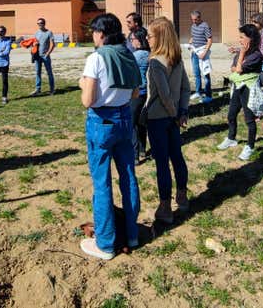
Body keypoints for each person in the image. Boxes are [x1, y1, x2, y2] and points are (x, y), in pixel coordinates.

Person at [79, 13, 142, 260]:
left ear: (102, 33)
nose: (92, 35)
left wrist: (83, 83)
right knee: (128, 177)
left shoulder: (96, 58)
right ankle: (132, 233)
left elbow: (88, 101)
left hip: (101, 123)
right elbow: (136, 92)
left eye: (94, 31)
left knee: (102, 183)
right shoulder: (128, 54)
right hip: (125, 119)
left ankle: (105, 243)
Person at [145, 17, 190, 224]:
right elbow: (185, 88)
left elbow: (163, 94)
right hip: (174, 118)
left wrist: (174, 114)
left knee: (162, 163)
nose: (147, 38)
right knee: (177, 157)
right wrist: (183, 111)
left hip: (158, 118)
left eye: (150, 35)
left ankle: (165, 207)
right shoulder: (177, 59)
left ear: (160, 37)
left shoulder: (155, 62)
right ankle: (182, 195)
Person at [218, 24, 263, 160]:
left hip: (249, 89)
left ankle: (250, 146)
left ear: (251, 38)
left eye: (242, 37)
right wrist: (240, 60)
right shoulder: (240, 52)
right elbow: (233, 67)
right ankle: (231, 138)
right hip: (238, 87)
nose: (239, 40)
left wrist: (242, 55)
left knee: (249, 120)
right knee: (231, 115)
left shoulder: (256, 55)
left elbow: (238, 69)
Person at [129, 28, 150, 162]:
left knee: (132, 124)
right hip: (147, 92)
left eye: (132, 39)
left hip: (136, 93)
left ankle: (134, 155)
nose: (131, 42)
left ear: (139, 40)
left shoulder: (135, 56)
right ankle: (143, 149)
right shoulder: (150, 54)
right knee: (142, 122)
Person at [189, 10, 213, 103]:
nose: (194, 21)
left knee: (206, 74)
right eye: (192, 19)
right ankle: (198, 92)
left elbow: (210, 40)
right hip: (194, 52)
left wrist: (204, 53)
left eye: (195, 19)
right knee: (196, 73)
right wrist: (190, 42)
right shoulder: (193, 26)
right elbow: (193, 36)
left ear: (199, 17)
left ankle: (208, 95)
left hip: (203, 52)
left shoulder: (205, 26)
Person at [31, 18, 55, 96]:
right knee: (38, 72)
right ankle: (38, 89)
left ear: (44, 24)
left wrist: (48, 53)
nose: (39, 25)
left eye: (41, 23)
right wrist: (33, 45)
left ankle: (52, 89)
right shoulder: (37, 33)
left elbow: (52, 44)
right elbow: (34, 42)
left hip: (45, 56)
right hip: (37, 56)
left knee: (49, 73)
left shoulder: (49, 32)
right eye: (38, 23)